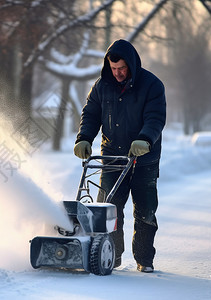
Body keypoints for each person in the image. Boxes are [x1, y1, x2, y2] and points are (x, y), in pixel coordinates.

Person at [73, 39, 166, 273]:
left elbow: (155, 118)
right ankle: (110, 256)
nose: (118, 73)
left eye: (122, 68)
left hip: (144, 156)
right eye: (113, 69)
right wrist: (84, 138)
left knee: (145, 209)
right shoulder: (102, 86)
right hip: (112, 156)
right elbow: (91, 114)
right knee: (108, 207)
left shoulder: (152, 85)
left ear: (131, 65)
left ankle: (144, 259)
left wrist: (145, 139)